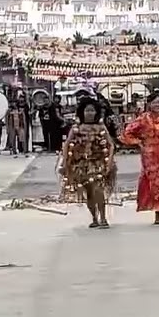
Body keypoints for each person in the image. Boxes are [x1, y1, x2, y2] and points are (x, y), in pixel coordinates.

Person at [121, 92, 159, 225]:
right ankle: (158, 213)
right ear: (149, 104)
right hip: (149, 155)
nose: (157, 105)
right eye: (154, 102)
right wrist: (139, 143)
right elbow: (127, 132)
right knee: (154, 183)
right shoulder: (142, 119)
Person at [60, 97, 116, 229]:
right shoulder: (76, 128)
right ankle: (94, 218)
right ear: (82, 112)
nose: (90, 113)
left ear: (96, 112)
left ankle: (103, 218)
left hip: (98, 164)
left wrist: (109, 162)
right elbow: (66, 145)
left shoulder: (101, 127)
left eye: (92, 110)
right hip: (80, 165)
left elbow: (111, 144)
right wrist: (64, 163)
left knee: (98, 190)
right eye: (87, 110)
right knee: (88, 193)